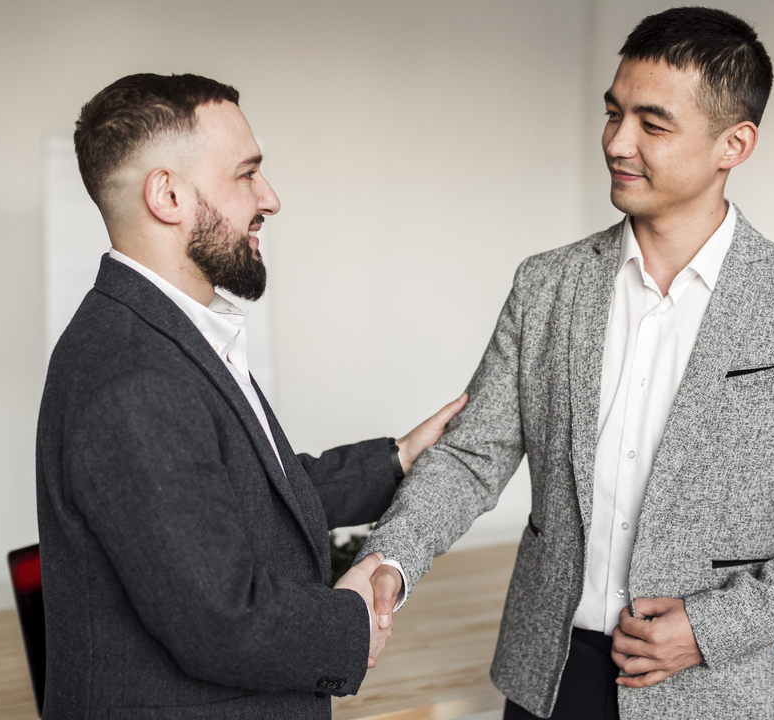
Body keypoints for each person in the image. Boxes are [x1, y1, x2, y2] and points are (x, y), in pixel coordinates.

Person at [360, 7, 774, 720]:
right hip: (544, 675)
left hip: (707, 691)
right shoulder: (546, 284)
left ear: (734, 144)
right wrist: (392, 560)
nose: (618, 142)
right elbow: (474, 455)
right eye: (613, 113)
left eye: (653, 125)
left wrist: (712, 630)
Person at [35, 73, 467, 720]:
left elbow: (251, 495)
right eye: (247, 174)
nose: (270, 198)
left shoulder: (165, 332)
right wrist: (355, 616)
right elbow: (223, 622)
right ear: (169, 194)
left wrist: (399, 457)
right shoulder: (134, 377)